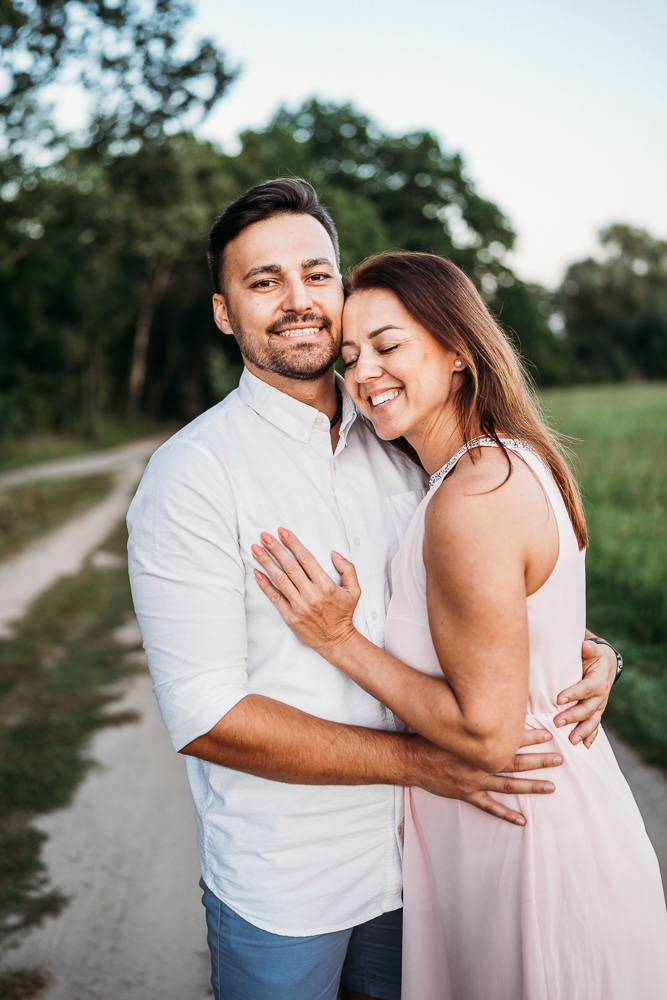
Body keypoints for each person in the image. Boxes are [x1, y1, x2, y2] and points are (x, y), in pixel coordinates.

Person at [126, 179, 617, 1000]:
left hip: (430, 860)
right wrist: (426, 765)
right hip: (290, 882)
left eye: (316, 274)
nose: (298, 300)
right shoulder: (192, 477)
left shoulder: (402, 437)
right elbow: (208, 716)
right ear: (223, 313)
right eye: (263, 281)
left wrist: (581, 647)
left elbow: (478, 593)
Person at [251, 249, 667, 999]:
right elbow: (527, 625)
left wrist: (340, 641)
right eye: (350, 356)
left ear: (457, 353)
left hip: (527, 847)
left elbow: (487, 735)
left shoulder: (471, 498)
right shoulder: (499, 464)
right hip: (520, 829)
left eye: (388, 345)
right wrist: (593, 650)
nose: (364, 373)